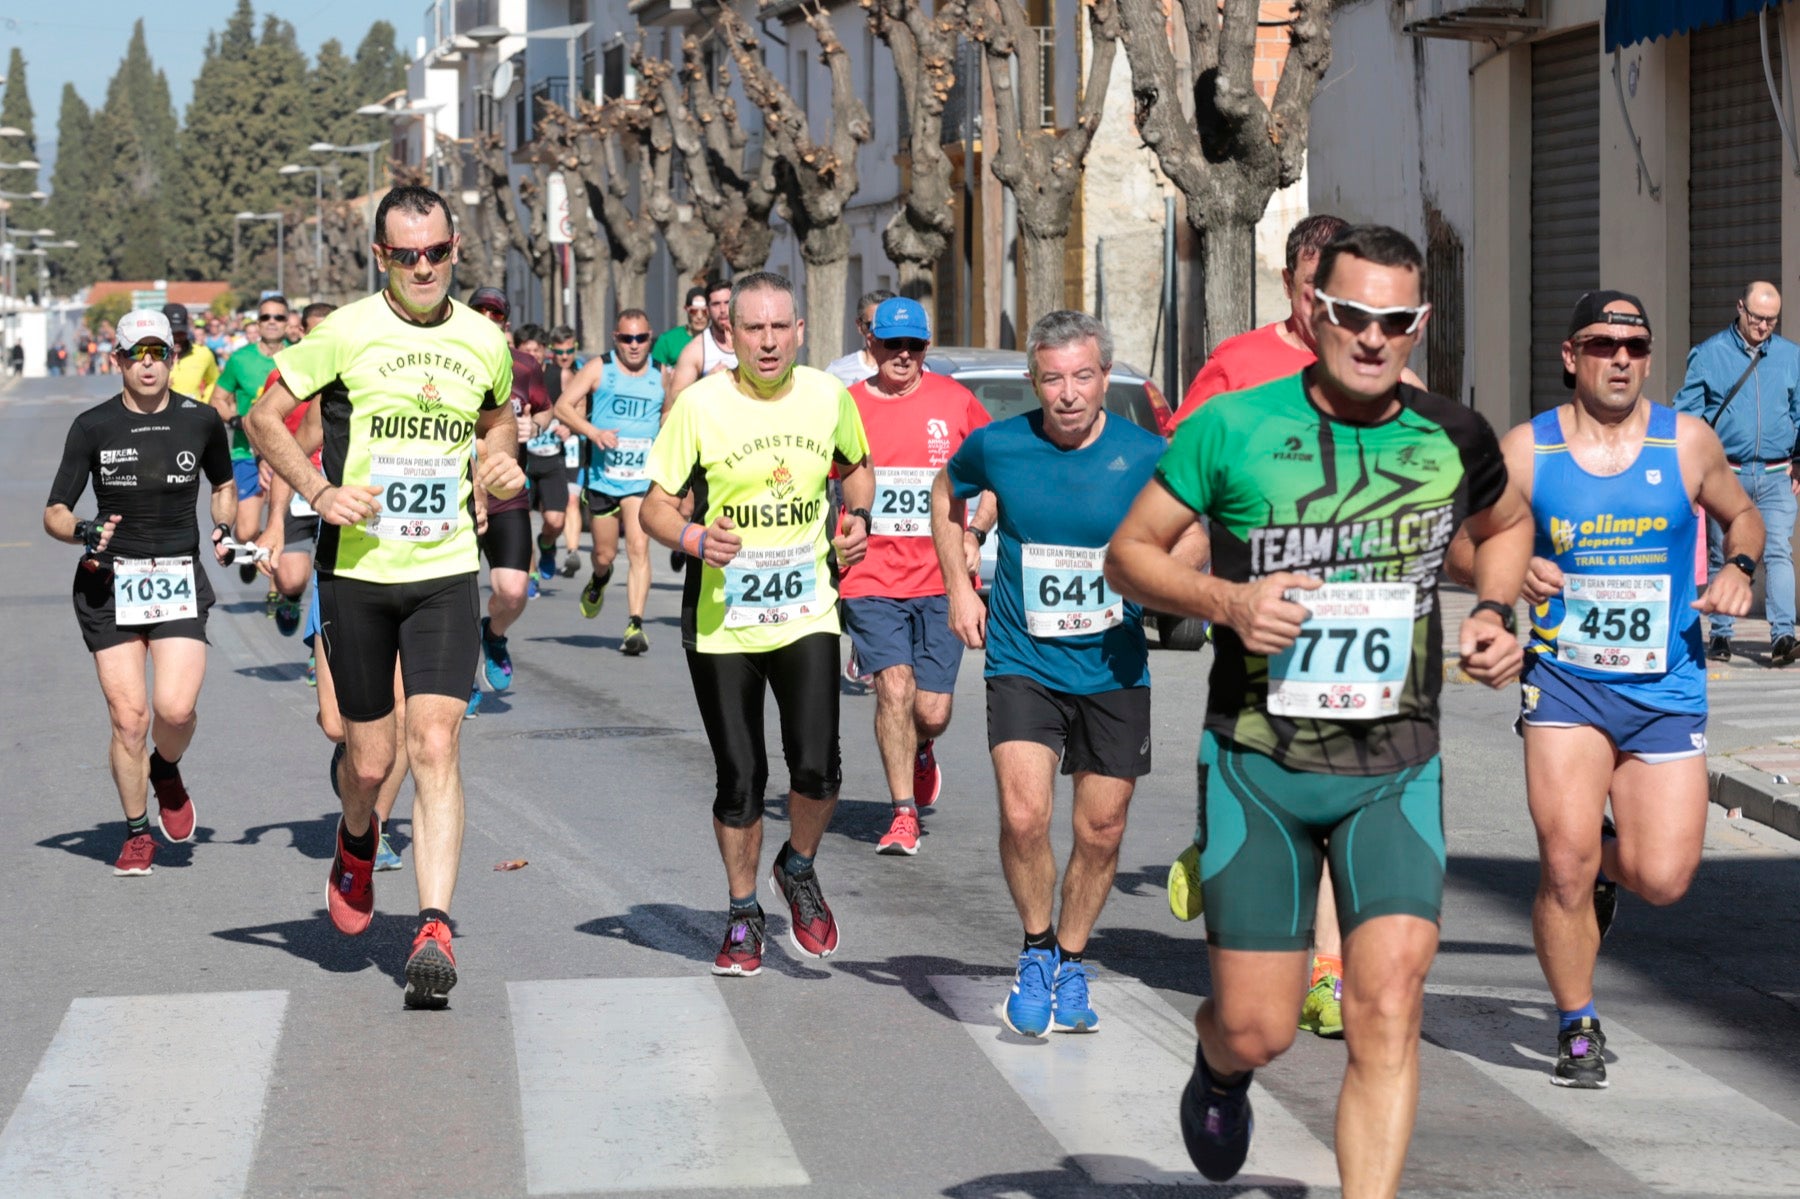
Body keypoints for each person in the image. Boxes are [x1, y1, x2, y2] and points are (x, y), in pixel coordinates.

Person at [1105, 225, 1532, 1194]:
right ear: (1313, 311)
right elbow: (1128, 554)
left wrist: (1498, 611)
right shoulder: (1231, 427)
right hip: (1260, 760)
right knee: (1263, 1022)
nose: (1372, 338)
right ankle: (1221, 1063)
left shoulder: (1453, 432)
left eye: (1395, 321)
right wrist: (1228, 600)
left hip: (1396, 763)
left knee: (1387, 1003)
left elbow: (1505, 522)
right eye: (1351, 315)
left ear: (1418, 325)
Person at [1450, 291, 1759, 1089]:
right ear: (1570, 355)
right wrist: (1510, 571)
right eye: (1601, 343)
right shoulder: (1528, 450)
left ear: (1648, 358)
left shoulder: (1685, 441)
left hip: (1666, 684)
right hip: (1565, 685)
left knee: (1664, 875)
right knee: (1562, 863)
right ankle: (1575, 1018)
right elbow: (1458, 541)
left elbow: (1743, 513)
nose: (1619, 356)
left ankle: (1605, 876)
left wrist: (1738, 567)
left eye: (1634, 344)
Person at [246, 184, 524, 1010]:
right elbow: (265, 416)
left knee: (435, 740)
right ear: (381, 258)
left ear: (454, 247)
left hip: (442, 569)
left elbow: (498, 418)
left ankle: (432, 925)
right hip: (358, 573)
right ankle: (356, 837)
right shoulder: (347, 332)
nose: (426, 267)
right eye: (408, 255)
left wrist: (497, 461)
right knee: (368, 759)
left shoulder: (484, 339)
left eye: (438, 251)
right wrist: (317, 490)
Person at [1169, 214, 1427, 1041]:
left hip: (1360, 625)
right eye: (1329, 293)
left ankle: (1324, 966)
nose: (1349, 316)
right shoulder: (1239, 367)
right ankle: (1221, 823)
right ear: (1294, 286)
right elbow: (1189, 480)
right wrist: (1208, 581)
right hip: (1256, 617)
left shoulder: (1386, 373)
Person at [931, 309, 1162, 1034]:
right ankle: (1034, 950)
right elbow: (946, 494)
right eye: (1053, 378)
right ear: (1035, 380)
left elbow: (1191, 531)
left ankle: (1070, 956)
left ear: (1104, 379)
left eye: (1083, 376)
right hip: (1022, 656)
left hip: (1113, 663)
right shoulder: (998, 446)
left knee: (1102, 829)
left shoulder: (1147, 454)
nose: (1067, 393)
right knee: (1025, 814)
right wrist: (960, 585)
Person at [641, 271, 873, 977]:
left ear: (799, 331)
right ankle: (744, 911)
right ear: (729, 334)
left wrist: (854, 516)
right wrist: (692, 541)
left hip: (806, 607)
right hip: (724, 620)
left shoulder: (828, 397)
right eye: (754, 329)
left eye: (780, 328)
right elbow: (656, 506)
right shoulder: (699, 407)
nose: (768, 342)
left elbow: (858, 469)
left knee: (818, 766)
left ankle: (797, 864)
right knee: (740, 777)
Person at [43, 309, 238, 875]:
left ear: (172, 359)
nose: (148, 365)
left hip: (177, 577)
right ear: (118, 361)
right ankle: (136, 832)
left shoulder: (201, 421)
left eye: (159, 354)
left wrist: (223, 528)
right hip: (109, 581)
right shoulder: (92, 427)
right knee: (129, 718)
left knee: (174, 709)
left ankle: (167, 769)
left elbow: (223, 485)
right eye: (136, 355)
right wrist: (82, 529)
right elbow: (55, 511)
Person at [842, 297, 989, 854]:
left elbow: (992, 477)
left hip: (941, 578)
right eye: (892, 344)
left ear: (926, 348)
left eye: (915, 346)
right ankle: (902, 812)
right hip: (871, 576)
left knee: (932, 710)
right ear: (872, 344)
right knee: (894, 689)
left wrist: (975, 532)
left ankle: (922, 747)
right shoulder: (848, 405)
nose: (903, 355)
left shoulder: (956, 402)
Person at [1673, 280, 1800, 665]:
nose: (1764, 327)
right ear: (1740, 308)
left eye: (1772, 321)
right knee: (1722, 554)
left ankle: (1783, 636)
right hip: (1728, 474)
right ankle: (1722, 634)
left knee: (1778, 550)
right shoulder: (1710, 355)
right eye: (1758, 318)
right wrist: (1693, 469)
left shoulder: (1790, 357)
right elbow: (1688, 414)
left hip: (1778, 474)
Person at [553, 307, 664, 653]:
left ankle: (635, 625)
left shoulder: (663, 376)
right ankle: (599, 579)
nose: (634, 345)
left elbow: (674, 414)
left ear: (650, 339)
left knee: (639, 548)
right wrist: (593, 432)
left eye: (641, 338)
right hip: (603, 479)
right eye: (627, 338)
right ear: (616, 338)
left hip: (638, 482)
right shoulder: (599, 368)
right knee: (604, 554)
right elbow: (562, 407)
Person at [465, 289, 554, 703]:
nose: (486, 318)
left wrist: (534, 428)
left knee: (513, 590)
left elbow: (545, 409)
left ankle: (494, 635)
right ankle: (460, 681)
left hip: (505, 490)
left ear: (505, 321)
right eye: (479, 311)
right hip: (458, 492)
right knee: (456, 597)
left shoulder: (525, 365)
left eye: (494, 313)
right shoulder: (451, 359)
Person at [252, 302, 337, 638]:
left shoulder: (354, 373)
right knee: (292, 576)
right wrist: (265, 459)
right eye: (315, 332)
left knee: (337, 578)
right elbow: (261, 422)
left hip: (340, 483)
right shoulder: (286, 371)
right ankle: (290, 595)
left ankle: (324, 647)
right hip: (296, 479)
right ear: (301, 332)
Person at [211, 295, 290, 587]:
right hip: (246, 451)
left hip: (289, 452)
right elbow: (217, 399)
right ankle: (254, 548)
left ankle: (283, 589)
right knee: (244, 532)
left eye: (278, 317)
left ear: (287, 321)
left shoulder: (299, 355)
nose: (271, 322)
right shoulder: (240, 359)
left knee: (284, 521)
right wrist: (235, 420)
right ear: (257, 323)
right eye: (266, 317)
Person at [544, 324, 588, 577]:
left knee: (572, 498)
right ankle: (547, 544)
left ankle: (572, 552)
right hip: (544, 447)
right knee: (552, 515)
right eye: (559, 351)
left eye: (569, 351)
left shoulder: (583, 371)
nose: (564, 356)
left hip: (572, 446)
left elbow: (583, 407)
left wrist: (572, 428)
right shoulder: (544, 373)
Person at [667, 277, 737, 409]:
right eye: (716, 304)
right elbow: (675, 398)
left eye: (727, 302)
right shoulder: (696, 349)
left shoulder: (753, 340)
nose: (722, 310)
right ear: (708, 309)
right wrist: (706, 382)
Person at [825, 289, 898, 388]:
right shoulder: (838, 372)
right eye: (871, 325)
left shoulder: (916, 368)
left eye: (888, 325)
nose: (879, 333)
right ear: (860, 326)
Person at [164, 303, 222, 411]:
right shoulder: (151, 358)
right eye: (172, 333)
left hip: (195, 419)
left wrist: (204, 404)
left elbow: (214, 381)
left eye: (181, 333)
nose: (177, 338)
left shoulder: (203, 353)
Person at [653, 285, 709, 394]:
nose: (699, 316)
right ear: (686, 309)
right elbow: (653, 376)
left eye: (704, 311)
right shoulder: (667, 340)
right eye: (694, 311)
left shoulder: (720, 340)